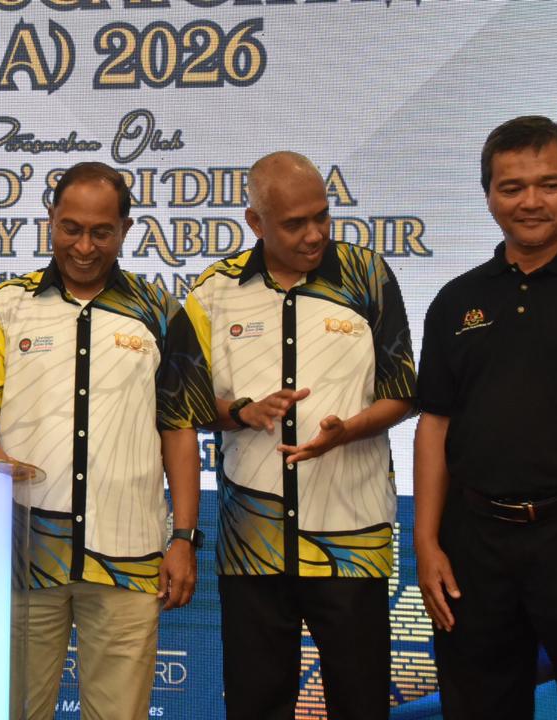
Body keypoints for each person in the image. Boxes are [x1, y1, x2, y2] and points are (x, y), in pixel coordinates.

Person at [0, 161, 216, 720]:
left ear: (126, 229)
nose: (84, 247)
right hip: (23, 554)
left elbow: (179, 428)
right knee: (11, 710)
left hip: (129, 553)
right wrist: (5, 474)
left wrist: (183, 537)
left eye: (101, 232)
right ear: (50, 220)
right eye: (71, 228)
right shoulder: (4, 307)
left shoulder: (162, 313)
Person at [184, 151, 416, 719]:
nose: (314, 235)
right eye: (294, 224)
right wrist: (241, 411)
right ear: (255, 222)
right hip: (251, 544)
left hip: (352, 536)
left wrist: (348, 430)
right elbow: (185, 405)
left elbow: (404, 392)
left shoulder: (367, 275)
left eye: (321, 217)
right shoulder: (214, 291)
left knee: (361, 703)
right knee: (256, 704)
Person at [414, 115, 557, 718]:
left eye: (549, 184)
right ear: (488, 196)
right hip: (474, 545)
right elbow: (435, 424)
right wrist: (426, 541)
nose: (531, 201)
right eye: (512, 187)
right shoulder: (457, 299)